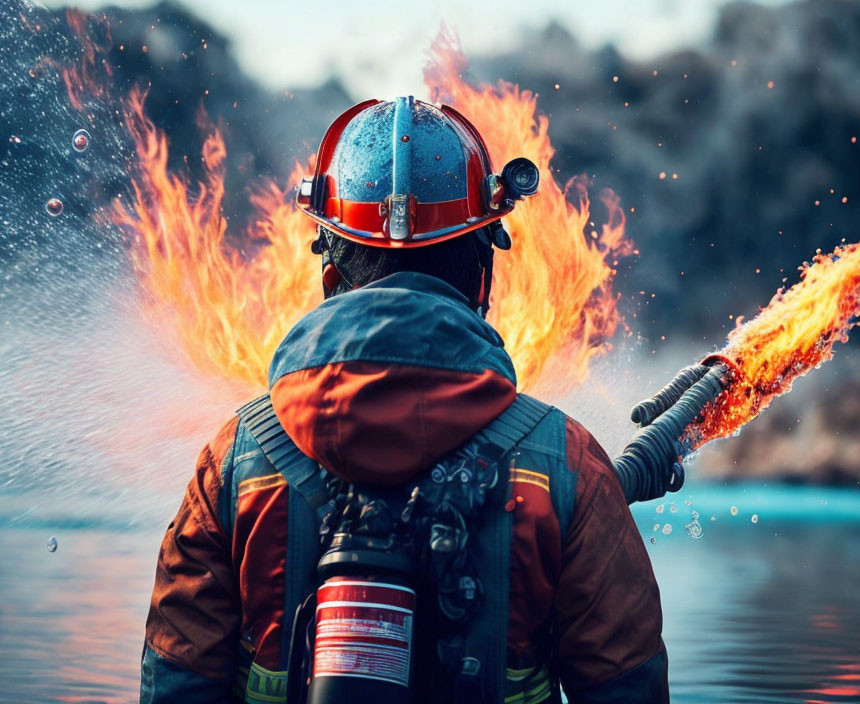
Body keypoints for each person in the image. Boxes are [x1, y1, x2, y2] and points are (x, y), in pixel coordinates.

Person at [139, 97, 678, 704]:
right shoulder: (567, 468)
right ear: (483, 276)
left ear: (329, 277)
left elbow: (174, 685)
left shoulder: (233, 465)